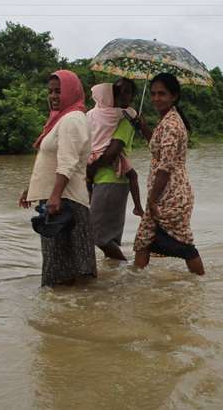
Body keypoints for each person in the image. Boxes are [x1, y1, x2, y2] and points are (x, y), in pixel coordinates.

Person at [18, 70, 97, 285]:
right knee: (60, 267)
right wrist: (32, 190)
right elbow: (48, 162)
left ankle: (77, 316)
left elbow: (67, 161)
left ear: (71, 92)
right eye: (50, 91)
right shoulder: (60, 120)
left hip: (66, 201)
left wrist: (55, 196)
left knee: (69, 271)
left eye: (59, 91)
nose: (53, 96)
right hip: (59, 199)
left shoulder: (72, 119)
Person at [133, 73, 204, 275]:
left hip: (169, 194)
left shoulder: (172, 124)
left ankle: (200, 282)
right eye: (153, 94)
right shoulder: (167, 120)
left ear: (174, 96)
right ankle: (137, 285)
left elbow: (165, 167)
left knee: (184, 245)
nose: (156, 98)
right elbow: (158, 149)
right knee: (144, 241)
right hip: (166, 192)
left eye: (161, 94)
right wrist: (143, 127)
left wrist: (153, 200)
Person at [86, 78, 143, 261]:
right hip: (105, 180)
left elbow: (111, 154)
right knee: (109, 237)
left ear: (133, 96)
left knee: (97, 236)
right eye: (117, 91)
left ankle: (126, 267)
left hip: (111, 180)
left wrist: (90, 169)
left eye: (126, 92)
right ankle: (118, 279)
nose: (121, 95)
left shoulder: (125, 121)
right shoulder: (104, 117)